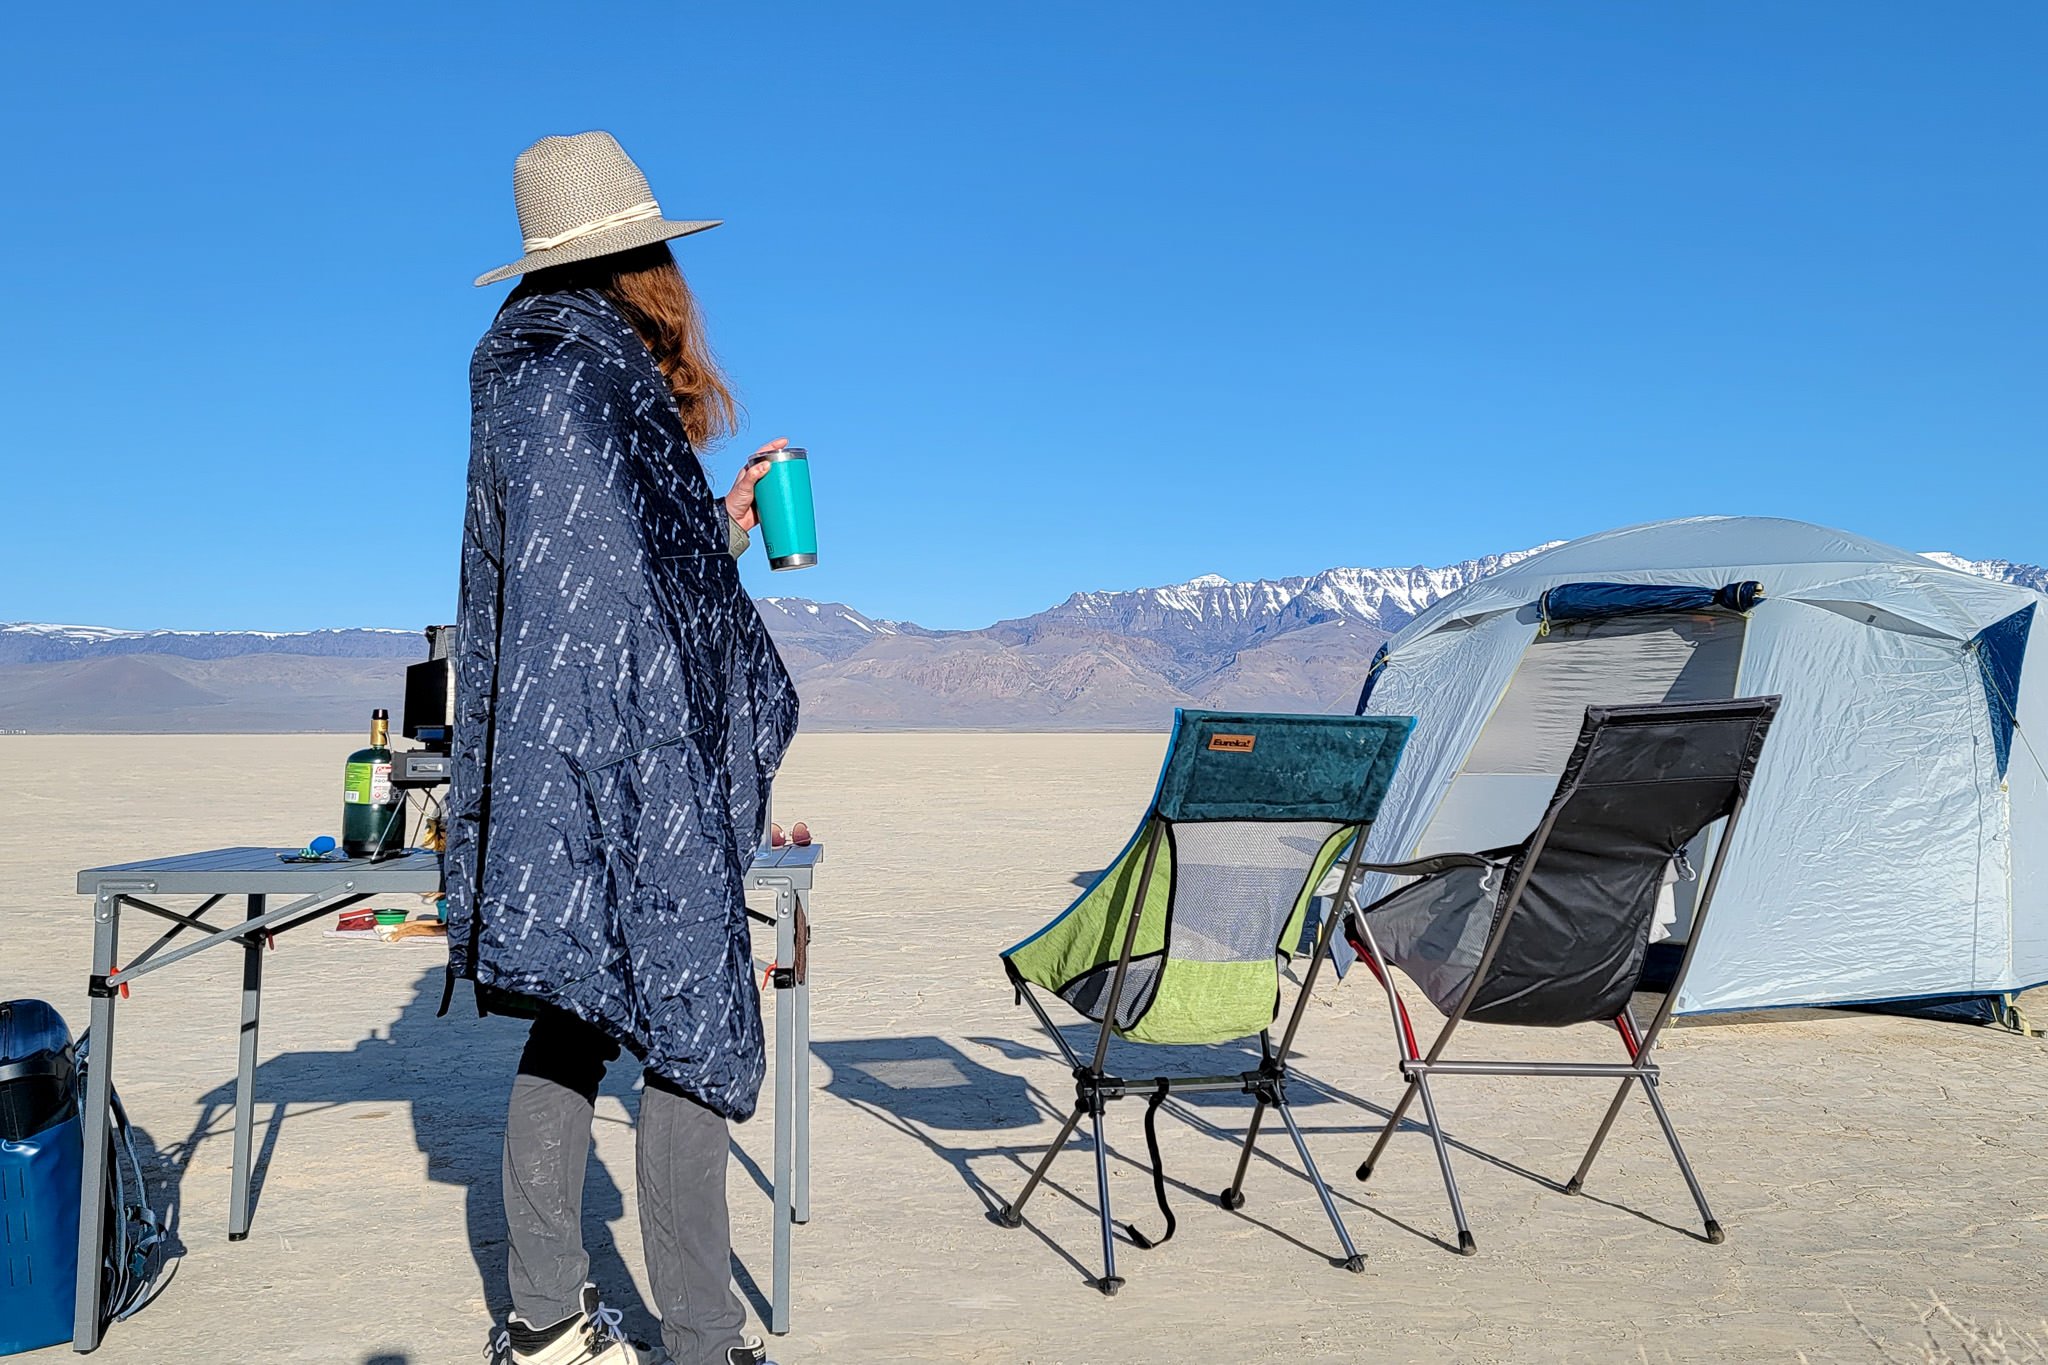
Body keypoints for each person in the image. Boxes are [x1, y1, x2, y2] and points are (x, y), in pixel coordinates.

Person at [444, 131, 800, 1365]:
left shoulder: (514, 372)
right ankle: (701, 1340)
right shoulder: (605, 378)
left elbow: (591, 588)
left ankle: (542, 1322)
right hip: (638, 759)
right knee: (691, 1019)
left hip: (544, 755)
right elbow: (659, 607)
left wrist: (719, 530)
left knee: (572, 1008)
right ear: (645, 258)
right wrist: (726, 565)